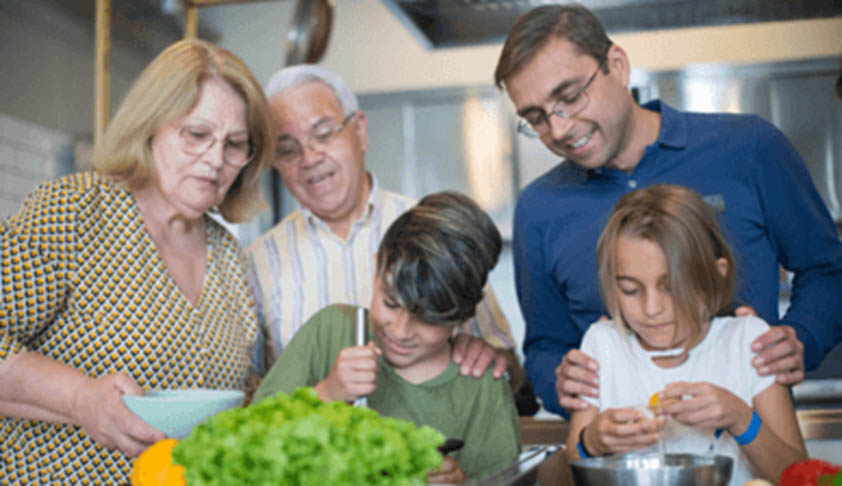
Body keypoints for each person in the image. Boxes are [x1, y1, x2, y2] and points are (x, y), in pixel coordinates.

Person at [494, 4, 842, 416]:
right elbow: (546, 346)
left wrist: (803, 336)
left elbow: (827, 270)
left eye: (569, 98)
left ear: (617, 66)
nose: (559, 129)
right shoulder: (538, 209)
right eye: (535, 118)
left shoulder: (750, 147)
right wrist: (561, 381)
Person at [0, 39, 274, 484]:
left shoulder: (229, 255)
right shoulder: (75, 211)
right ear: (151, 127)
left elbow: (240, 392)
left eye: (235, 144)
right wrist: (81, 399)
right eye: (197, 134)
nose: (216, 159)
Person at [246, 65, 522, 385]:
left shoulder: (437, 234)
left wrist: (492, 358)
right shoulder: (258, 261)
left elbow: (513, 373)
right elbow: (252, 390)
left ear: (360, 130)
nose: (309, 158)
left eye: (323, 134)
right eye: (287, 149)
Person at [253, 191, 521, 484]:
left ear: (464, 314)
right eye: (390, 303)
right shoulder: (330, 331)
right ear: (376, 268)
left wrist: (463, 482)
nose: (400, 332)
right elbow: (248, 440)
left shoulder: (482, 387)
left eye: (428, 318)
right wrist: (326, 395)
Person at [565, 184, 807, 484]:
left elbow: (801, 477)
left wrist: (740, 418)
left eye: (672, 287)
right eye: (630, 290)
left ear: (716, 277)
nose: (651, 309)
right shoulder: (602, 344)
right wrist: (592, 442)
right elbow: (570, 468)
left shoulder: (748, 342)